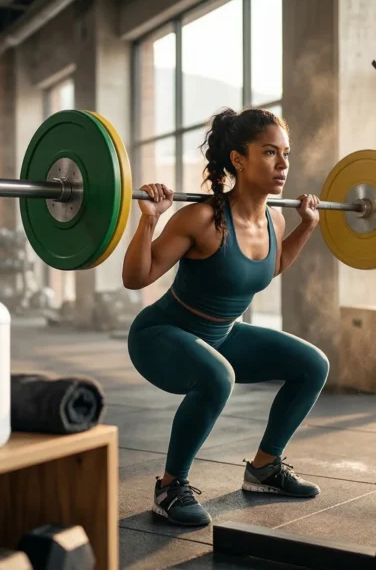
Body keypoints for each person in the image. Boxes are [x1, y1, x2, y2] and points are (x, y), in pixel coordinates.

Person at [122, 108, 328, 527]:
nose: (283, 165)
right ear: (238, 160)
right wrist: (148, 220)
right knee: (219, 376)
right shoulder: (201, 218)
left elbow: (269, 267)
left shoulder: (275, 217)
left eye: (285, 153)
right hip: (161, 336)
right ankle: (169, 487)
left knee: (312, 365)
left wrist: (307, 226)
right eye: (270, 152)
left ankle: (265, 469)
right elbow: (136, 277)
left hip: (221, 335)